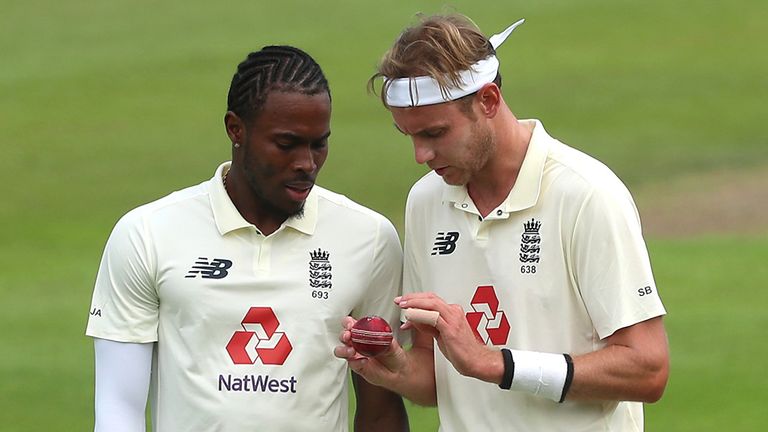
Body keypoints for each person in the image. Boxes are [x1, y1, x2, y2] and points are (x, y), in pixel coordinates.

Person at [335, 14, 669, 431]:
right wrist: (394, 367)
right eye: (410, 136)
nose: (421, 155)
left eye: (436, 134)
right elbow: (438, 377)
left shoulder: (586, 195)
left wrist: (496, 364)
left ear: (488, 100)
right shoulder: (425, 201)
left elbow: (648, 369)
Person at [86, 45, 408, 432]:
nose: (306, 163)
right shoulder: (147, 234)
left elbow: (381, 410)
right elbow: (119, 406)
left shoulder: (369, 239)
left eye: (319, 143)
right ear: (235, 129)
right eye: (287, 144)